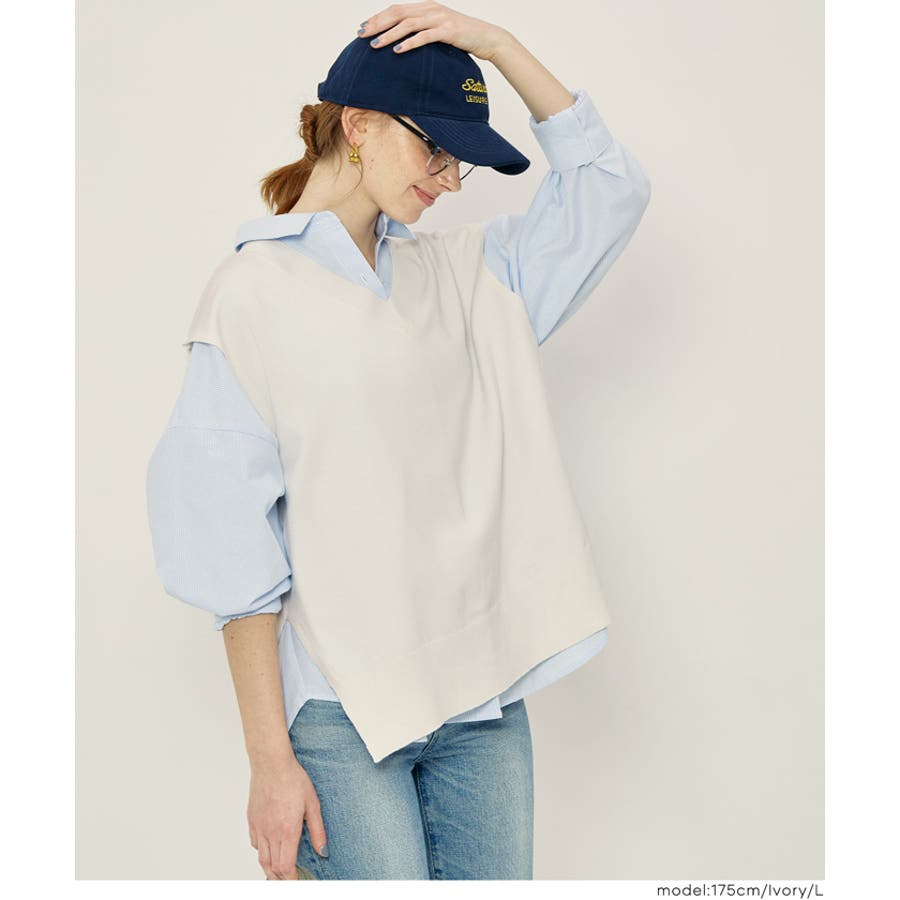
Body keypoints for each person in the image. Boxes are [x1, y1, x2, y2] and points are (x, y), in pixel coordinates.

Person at [146, 2, 651, 881]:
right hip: (340, 717)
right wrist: (270, 763)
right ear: (358, 126)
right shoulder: (249, 296)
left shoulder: (469, 275)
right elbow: (229, 552)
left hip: (481, 703)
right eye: (436, 149)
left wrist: (497, 45)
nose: (451, 179)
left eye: (462, 157)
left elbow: (610, 189)